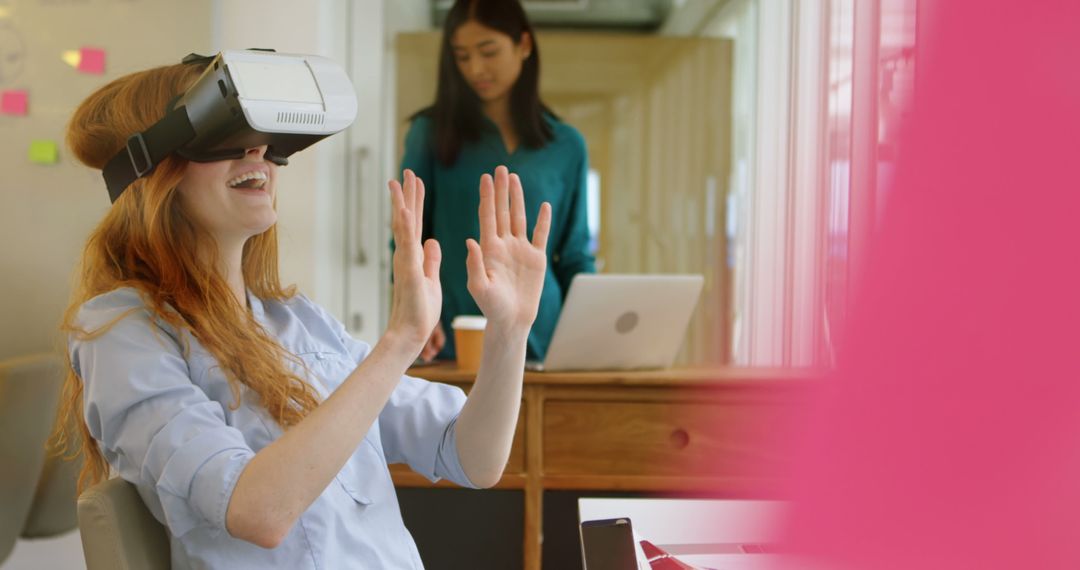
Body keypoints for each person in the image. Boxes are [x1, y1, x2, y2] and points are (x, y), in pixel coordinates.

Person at [50, 58, 551, 569]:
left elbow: (473, 456)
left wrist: (509, 332)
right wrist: (399, 341)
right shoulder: (120, 333)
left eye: (264, 137)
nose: (258, 151)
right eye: (227, 133)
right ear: (153, 171)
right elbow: (257, 511)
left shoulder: (298, 322)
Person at [401, 0, 595, 362]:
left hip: (543, 342)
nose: (476, 68)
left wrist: (587, 337)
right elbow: (408, 240)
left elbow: (574, 257)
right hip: (456, 341)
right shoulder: (430, 133)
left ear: (523, 45)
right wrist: (417, 315)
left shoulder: (567, 145)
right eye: (462, 56)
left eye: (488, 52)